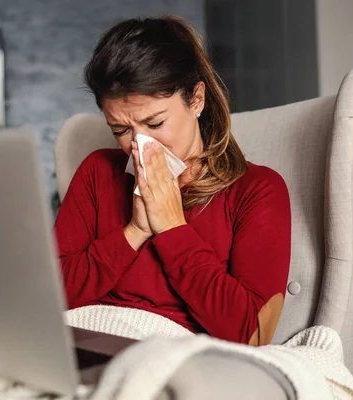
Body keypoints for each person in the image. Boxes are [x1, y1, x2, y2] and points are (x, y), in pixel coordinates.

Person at [54, 16, 291, 346]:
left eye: (155, 123)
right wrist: (134, 232)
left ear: (196, 99)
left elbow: (251, 332)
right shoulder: (97, 172)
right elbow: (50, 295)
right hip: (84, 344)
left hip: (176, 358)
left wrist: (171, 228)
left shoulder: (257, 190)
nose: (138, 145)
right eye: (120, 130)